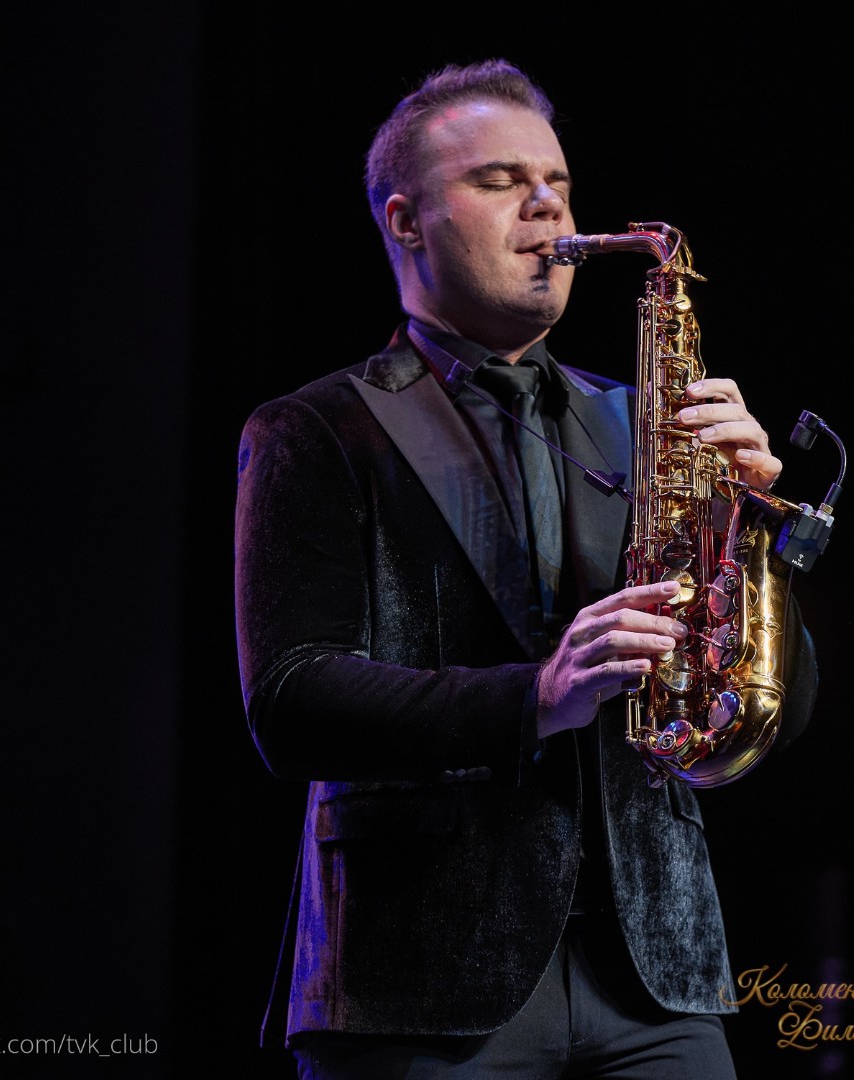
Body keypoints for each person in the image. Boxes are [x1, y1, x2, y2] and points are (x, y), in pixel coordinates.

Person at [234, 58, 818, 1079]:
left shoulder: (650, 426)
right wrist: (535, 698)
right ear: (408, 222)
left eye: (558, 183)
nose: (547, 204)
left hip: (656, 978)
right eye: (501, 180)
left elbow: (777, 707)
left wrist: (747, 529)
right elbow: (291, 702)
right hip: (420, 983)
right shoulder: (316, 428)